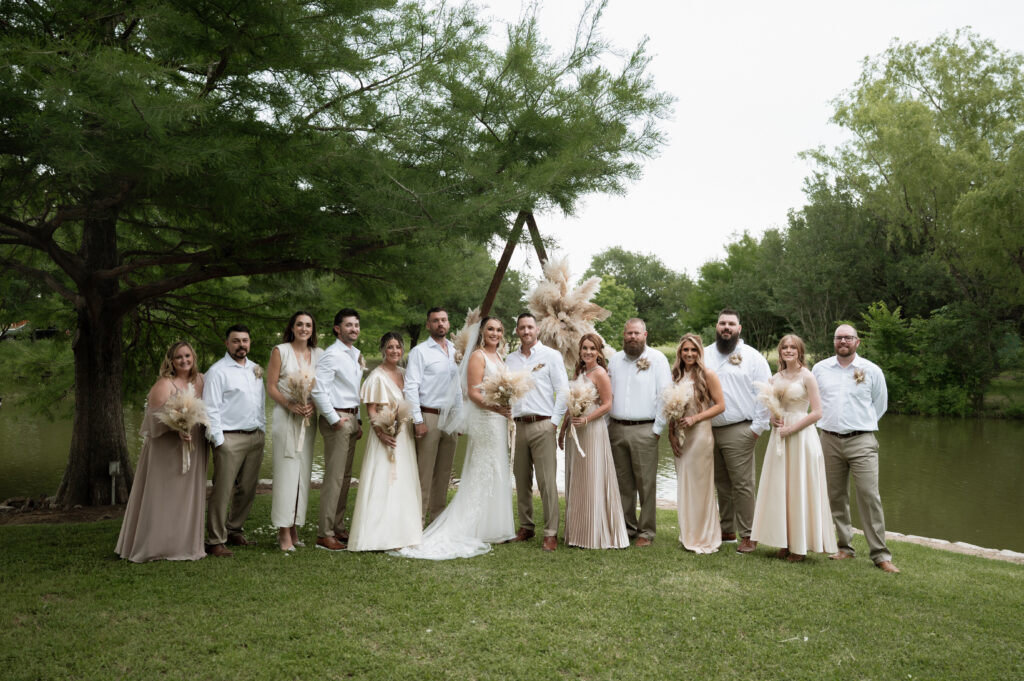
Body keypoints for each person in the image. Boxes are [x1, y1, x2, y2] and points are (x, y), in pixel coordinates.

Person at [394, 316, 517, 559]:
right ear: (482, 332)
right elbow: (471, 392)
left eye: (499, 330)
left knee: (492, 470)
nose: (495, 333)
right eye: (490, 329)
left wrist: (506, 404)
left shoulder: (495, 356)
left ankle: (488, 526)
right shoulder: (477, 356)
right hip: (483, 418)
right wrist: (497, 408)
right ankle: (419, 526)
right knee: (476, 469)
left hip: (492, 420)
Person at [813, 324, 899, 573]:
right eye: (839, 338)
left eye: (848, 338)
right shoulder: (820, 369)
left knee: (869, 496)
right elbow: (813, 401)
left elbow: (879, 405)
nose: (843, 342)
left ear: (857, 342)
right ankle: (845, 547)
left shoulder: (871, 370)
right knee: (836, 496)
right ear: (834, 341)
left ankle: (881, 555)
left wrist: (859, 425)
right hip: (828, 439)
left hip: (862, 441)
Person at [116, 342, 208, 562]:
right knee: (163, 494)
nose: (184, 360)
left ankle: (185, 544)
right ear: (171, 361)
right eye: (179, 357)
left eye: (187, 355)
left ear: (193, 357)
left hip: (194, 445)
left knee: (188, 495)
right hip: (166, 449)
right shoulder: (164, 384)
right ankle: (156, 546)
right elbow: (153, 419)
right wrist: (176, 428)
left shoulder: (201, 380)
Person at [750, 335, 838, 562]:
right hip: (779, 437)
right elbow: (772, 407)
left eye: (793, 347)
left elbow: (817, 412)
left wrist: (792, 429)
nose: (788, 350)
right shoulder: (774, 378)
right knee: (780, 487)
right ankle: (783, 541)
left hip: (801, 438)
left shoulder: (807, 376)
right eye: (785, 347)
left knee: (799, 488)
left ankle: (799, 547)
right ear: (780, 352)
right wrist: (773, 419)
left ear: (800, 351)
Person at [704, 309, 771, 554]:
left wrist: (756, 429)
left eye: (731, 324)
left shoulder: (752, 357)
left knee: (742, 484)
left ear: (739, 328)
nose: (726, 328)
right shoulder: (705, 354)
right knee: (721, 483)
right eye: (722, 323)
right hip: (710, 429)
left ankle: (749, 534)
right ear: (716, 326)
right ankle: (727, 529)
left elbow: (765, 395)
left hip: (740, 429)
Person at [348, 333, 423, 551]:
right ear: (383, 350)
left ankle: (404, 532)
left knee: (403, 480)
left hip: (404, 434)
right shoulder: (376, 377)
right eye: (390, 347)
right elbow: (371, 408)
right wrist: (381, 432)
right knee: (384, 480)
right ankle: (377, 535)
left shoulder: (405, 374)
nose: (394, 351)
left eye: (398, 347)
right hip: (384, 433)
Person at [505, 313, 569, 551]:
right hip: (519, 425)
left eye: (530, 327)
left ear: (538, 329)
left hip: (543, 424)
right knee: (521, 479)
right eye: (522, 327)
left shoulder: (551, 356)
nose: (526, 331)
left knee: (546, 481)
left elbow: (562, 390)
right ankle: (526, 526)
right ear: (517, 331)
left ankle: (551, 532)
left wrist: (554, 422)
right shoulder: (510, 360)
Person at [558, 334, 629, 549]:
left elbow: (608, 404)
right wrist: (563, 430)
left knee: (592, 475)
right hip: (575, 429)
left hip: (592, 429)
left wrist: (587, 419)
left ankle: (594, 532)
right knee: (577, 477)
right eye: (584, 348)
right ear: (580, 350)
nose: (588, 352)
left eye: (592, 348)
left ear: (599, 352)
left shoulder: (600, 374)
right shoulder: (579, 372)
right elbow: (571, 404)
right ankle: (577, 532)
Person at [607, 318, 672, 546]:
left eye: (637, 333)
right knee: (622, 483)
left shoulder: (658, 359)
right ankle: (627, 527)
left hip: (645, 429)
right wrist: (607, 426)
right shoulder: (614, 360)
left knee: (646, 484)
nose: (632, 337)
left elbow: (666, 395)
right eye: (628, 333)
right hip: (616, 428)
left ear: (645, 335)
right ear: (623, 335)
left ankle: (646, 531)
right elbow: (608, 395)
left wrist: (656, 429)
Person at [203, 325, 266, 557]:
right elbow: (210, 409)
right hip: (229, 438)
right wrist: (219, 441)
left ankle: (234, 530)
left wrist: (262, 430)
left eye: (245, 340)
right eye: (236, 341)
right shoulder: (217, 372)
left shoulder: (255, 369)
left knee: (247, 489)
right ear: (227, 344)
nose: (242, 345)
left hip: (255, 436)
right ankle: (215, 540)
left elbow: (259, 403)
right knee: (223, 490)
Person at [266, 311, 324, 552]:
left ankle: (295, 526)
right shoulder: (280, 351)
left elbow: (322, 387)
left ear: (313, 329)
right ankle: (282, 530)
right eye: (299, 324)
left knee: (302, 473)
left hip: (308, 419)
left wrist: (313, 405)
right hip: (286, 416)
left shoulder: (319, 355)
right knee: (286, 471)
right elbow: (270, 386)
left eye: (308, 325)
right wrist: (290, 404)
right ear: (291, 327)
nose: (304, 328)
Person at [666, 334, 726, 554]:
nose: (689, 354)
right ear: (680, 353)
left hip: (700, 435)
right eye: (685, 350)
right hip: (681, 435)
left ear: (699, 352)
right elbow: (672, 408)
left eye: (693, 350)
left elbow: (720, 406)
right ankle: (688, 534)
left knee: (701, 486)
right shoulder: (677, 375)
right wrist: (671, 432)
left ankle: (704, 536)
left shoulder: (707, 375)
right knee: (685, 483)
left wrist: (695, 418)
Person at [310, 308, 364, 551]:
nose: (353, 329)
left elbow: (355, 391)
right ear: (337, 328)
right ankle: (325, 533)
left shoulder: (355, 354)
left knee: (344, 478)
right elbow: (318, 390)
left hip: (351, 418)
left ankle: (339, 527)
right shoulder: (331, 355)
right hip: (338, 419)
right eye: (348, 325)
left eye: (356, 325)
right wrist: (334, 419)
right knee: (333, 478)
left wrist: (359, 420)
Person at [404, 307, 460, 524]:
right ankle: (415, 521)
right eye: (435, 321)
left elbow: (459, 388)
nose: (440, 324)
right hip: (429, 415)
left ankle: (436, 521)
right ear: (428, 325)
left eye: (444, 320)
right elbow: (411, 387)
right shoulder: (420, 352)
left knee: (444, 473)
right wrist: (418, 420)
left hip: (451, 419)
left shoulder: (456, 351)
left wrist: (460, 418)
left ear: (448, 323)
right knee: (424, 473)